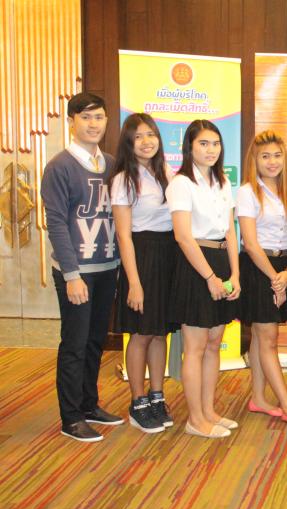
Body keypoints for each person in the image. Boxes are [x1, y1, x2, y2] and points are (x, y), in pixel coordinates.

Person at [41, 92, 123, 442]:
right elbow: (57, 223)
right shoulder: (59, 166)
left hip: (107, 267)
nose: (93, 124)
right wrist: (72, 275)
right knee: (74, 343)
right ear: (71, 121)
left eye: (99, 117)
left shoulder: (111, 163)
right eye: (86, 117)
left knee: (95, 341)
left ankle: (90, 405)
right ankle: (71, 417)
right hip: (76, 272)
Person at [166, 120, 240, 438]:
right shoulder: (181, 183)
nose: (211, 150)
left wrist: (235, 274)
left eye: (215, 143)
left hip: (222, 260)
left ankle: (209, 411)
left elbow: (230, 231)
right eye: (203, 143)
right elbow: (183, 236)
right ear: (190, 147)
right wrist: (209, 276)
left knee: (213, 344)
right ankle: (195, 419)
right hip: (196, 265)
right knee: (195, 347)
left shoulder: (223, 181)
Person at [237, 130, 287, 429]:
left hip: (283, 268)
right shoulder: (247, 191)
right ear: (254, 160)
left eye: (277, 155)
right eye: (265, 156)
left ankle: (258, 398)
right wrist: (274, 278)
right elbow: (250, 243)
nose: (272, 162)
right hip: (259, 268)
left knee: (262, 336)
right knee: (268, 338)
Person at [110, 113, 177, 434]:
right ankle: (138, 403)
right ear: (128, 142)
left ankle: (156, 396)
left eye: (151, 135)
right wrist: (134, 283)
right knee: (140, 333)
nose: (146, 141)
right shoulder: (123, 180)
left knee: (159, 331)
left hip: (168, 254)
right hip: (141, 256)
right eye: (138, 136)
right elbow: (124, 236)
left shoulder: (167, 173)